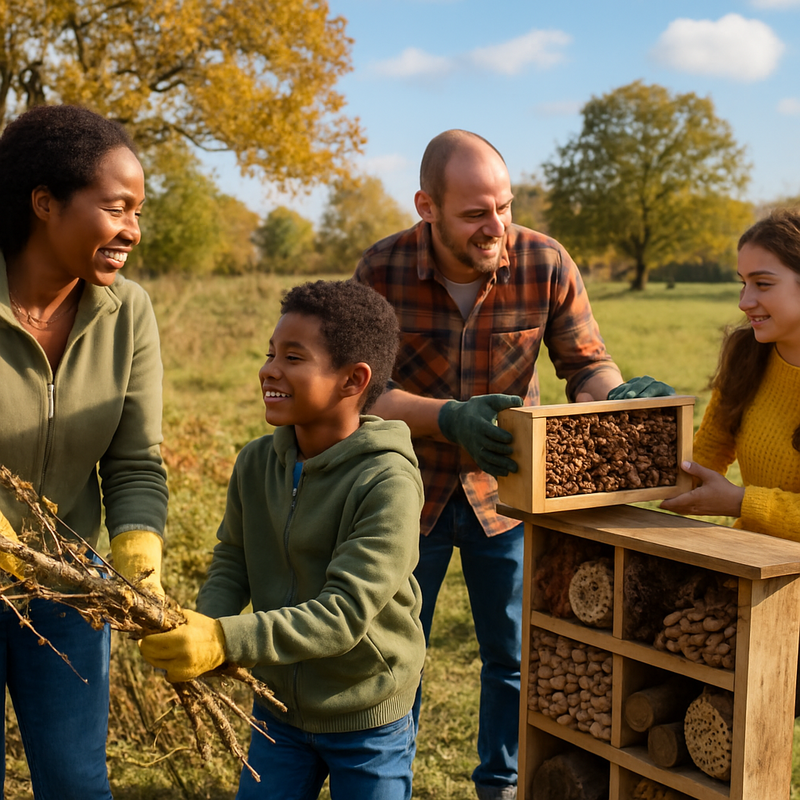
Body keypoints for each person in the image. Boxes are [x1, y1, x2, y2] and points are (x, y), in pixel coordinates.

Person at [353, 129, 674, 800]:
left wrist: (613, 397)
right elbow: (358, 391)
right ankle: (387, 784)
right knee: (393, 654)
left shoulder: (545, 262)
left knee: (516, 657)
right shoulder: (380, 271)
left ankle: (500, 786)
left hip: (510, 495)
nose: (494, 225)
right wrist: (447, 416)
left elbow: (584, 365)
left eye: (504, 205)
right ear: (427, 207)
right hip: (403, 494)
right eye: (475, 212)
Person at [140, 280, 427, 800]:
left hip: (365, 710)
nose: (269, 369)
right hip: (278, 709)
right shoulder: (256, 462)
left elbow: (342, 614)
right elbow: (233, 559)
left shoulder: (387, 482)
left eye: (294, 357)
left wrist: (227, 639)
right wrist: (206, 627)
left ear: (353, 380)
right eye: (271, 353)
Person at [0, 105, 168, 798]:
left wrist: (136, 553)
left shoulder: (127, 313)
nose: (133, 229)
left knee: (76, 782)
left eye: (139, 210)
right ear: (46, 204)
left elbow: (134, 459)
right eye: (117, 207)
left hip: (70, 587)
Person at [660, 209, 800, 546]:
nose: (744, 301)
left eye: (762, 284)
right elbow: (705, 455)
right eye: (743, 282)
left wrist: (741, 502)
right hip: (752, 564)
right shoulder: (747, 355)